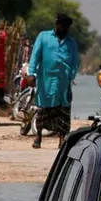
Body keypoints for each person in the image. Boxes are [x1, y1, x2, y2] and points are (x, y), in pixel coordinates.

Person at [28, 13, 79, 149]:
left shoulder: (71, 42)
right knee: (43, 109)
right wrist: (31, 73)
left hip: (63, 83)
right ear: (56, 25)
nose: (64, 28)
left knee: (63, 110)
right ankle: (38, 137)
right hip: (46, 81)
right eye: (62, 25)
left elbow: (75, 62)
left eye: (67, 27)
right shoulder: (43, 37)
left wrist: (71, 76)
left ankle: (62, 139)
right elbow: (35, 56)